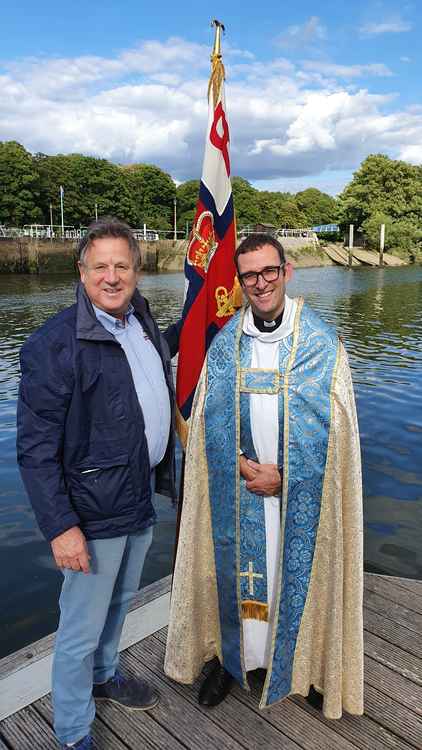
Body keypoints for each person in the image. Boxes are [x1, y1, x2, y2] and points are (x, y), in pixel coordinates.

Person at [164, 233, 364, 719]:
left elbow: (340, 445)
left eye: (269, 271)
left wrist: (289, 477)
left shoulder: (322, 345)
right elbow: (207, 421)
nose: (260, 283)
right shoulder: (226, 344)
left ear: (286, 271)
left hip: (298, 497)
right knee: (240, 575)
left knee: (293, 576)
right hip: (241, 488)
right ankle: (234, 663)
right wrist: (233, 463)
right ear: (240, 282)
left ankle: (306, 665)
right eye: (249, 275)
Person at [17, 218, 179, 749]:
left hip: (137, 498)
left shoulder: (140, 321)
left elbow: (154, 365)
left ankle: (104, 678)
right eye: (101, 266)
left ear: (137, 270)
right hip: (90, 512)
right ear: (82, 271)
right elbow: (36, 450)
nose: (112, 277)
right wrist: (61, 526)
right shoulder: (55, 345)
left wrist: (205, 322)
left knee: (121, 601)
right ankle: (71, 732)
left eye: (122, 266)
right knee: (80, 628)